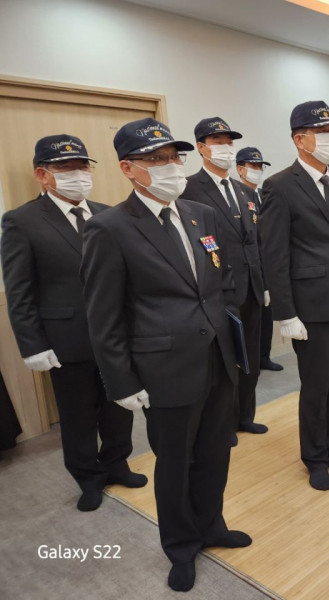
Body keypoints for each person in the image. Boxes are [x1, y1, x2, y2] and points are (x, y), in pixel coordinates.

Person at [80, 118, 251, 592]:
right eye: (156, 160)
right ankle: (180, 544)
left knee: (215, 453)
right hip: (164, 369)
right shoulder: (109, 228)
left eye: (174, 157)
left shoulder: (201, 214)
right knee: (175, 463)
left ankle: (211, 525)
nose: (171, 167)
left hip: (217, 358)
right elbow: (103, 315)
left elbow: (221, 280)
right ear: (128, 168)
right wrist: (121, 381)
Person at [1, 134, 144, 512]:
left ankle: (117, 463)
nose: (78, 175)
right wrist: (32, 345)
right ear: (42, 174)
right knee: (78, 415)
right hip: (66, 339)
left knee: (118, 406)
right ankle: (88, 477)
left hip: (116, 336)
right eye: (66, 168)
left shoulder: (108, 214)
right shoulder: (21, 221)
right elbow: (19, 290)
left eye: (83, 167)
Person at [261, 100, 329, 491]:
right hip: (312, 306)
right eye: (322, 133)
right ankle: (315, 456)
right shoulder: (279, 186)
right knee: (317, 386)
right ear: (300, 139)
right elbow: (274, 255)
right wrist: (285, 313)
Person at [181, 118, 269, 446]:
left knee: (251, 359)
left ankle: (245, 415)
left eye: (229, 142)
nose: (226, 148)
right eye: (218, 142)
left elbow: (255, 240)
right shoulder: (189, 188)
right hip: (218, 289)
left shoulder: (244, 191)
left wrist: (265, 283)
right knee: (224, 363)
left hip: (252, 287)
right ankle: (224, 424)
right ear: (201, 148)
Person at [235, 146, 283, 372]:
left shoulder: (264, 194)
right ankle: (248, 360)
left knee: (266, 316)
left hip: (267, 263)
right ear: (240, 169)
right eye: (252, 166)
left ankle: (264, 356)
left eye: (260, 166)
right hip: (248, 266)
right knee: (250, 319)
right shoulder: (237, 195)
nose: (257, 170)